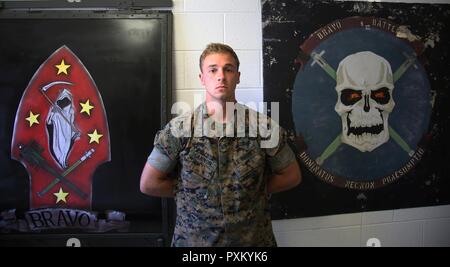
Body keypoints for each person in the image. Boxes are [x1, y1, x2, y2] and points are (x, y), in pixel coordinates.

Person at [140, 43, 301, 247]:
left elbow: (291, 175)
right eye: (213, 70)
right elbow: (149, 183)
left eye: (228, 69)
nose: (221, 76)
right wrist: (191, 191)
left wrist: (253, 191)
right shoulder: (179, 129)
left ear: (238, 76)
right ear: (202, 78)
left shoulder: (264, 128)